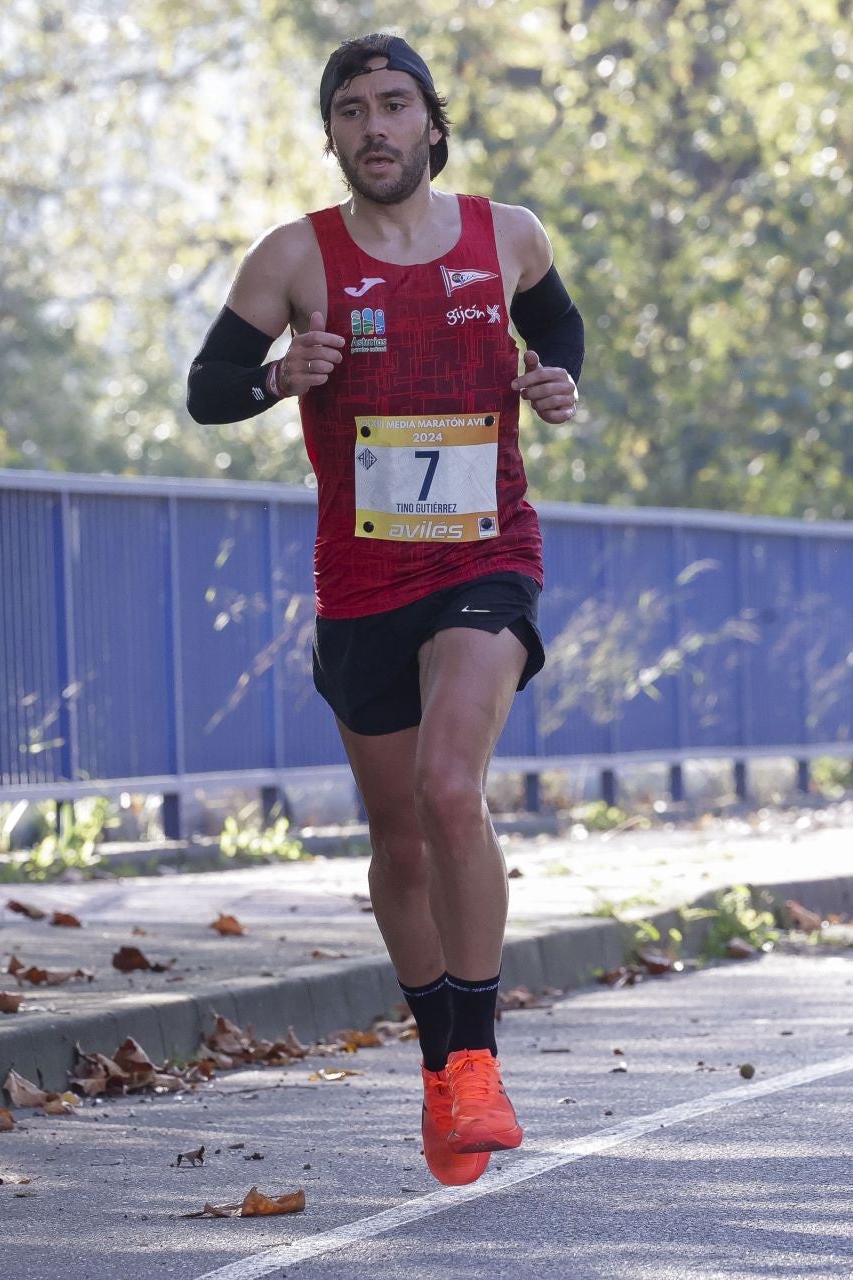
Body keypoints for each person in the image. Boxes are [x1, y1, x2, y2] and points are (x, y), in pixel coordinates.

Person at [184, 33, 584, 1186]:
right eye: (351, 109)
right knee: (398, 837)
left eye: (394, 104)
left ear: (429, 123)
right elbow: (209, 388)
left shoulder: (506, 234)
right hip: (362, 577)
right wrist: (277, 378)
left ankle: (481, 1062)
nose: (374, 126)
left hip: (485, 555)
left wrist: (556, 380)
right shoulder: (294, 257)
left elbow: (556, 325)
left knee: (451, 790)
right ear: (333, 134)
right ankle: (437, 1066)